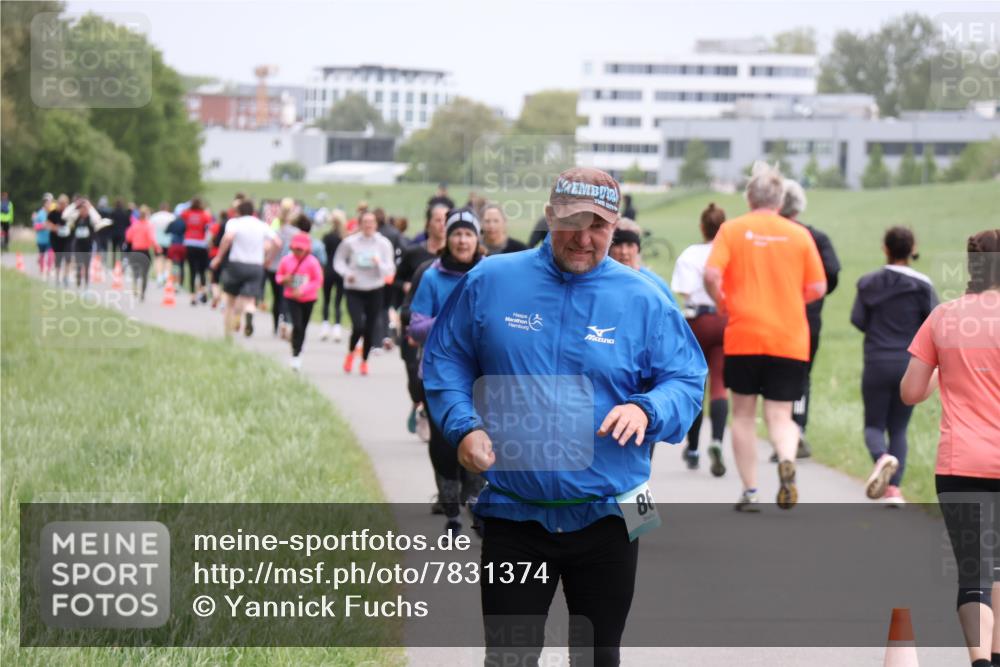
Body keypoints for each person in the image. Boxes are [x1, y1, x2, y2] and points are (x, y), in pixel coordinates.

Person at [423, 167, 706, 665]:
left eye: (597, 226)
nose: (583, 237)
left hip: (611, 515)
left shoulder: (642, 299)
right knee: (509, 658)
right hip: (514, 513)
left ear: (615, 227)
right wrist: (462, 425)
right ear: (549, 216)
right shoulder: (492, 280)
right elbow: (446, 358)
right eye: (571, 221)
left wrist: (648, 409)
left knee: (597, 656)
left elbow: (685, 380)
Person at [900, 229, 1000, 667]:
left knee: (975, 571)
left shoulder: (944, 317)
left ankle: (979, 659)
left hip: (961, 463)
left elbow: (910, 392)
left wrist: (947, 366)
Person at [704, 162, 827, 512]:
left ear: (748, 197)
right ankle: (786, 459)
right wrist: (791, 300)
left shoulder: (733, 229)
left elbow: (712, 273)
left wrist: (722, 301)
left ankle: (751, 491)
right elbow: (818, 285)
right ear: (780, 199)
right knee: (781, 415)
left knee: (742, 415)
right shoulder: (799, 234)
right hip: (789, 337)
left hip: (744, 333)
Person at [408, 208, 487, 534]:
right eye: (457, 233)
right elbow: (415, 327)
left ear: (477, 239)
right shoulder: (432, 276)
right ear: (447, 238)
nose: (462, 240)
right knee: (443, 441)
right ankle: (451, 504)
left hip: (480, 373)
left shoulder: (489, 273)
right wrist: (449, 323)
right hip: (439, 372)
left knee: (478, 434)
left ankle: (474, 498)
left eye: (468, 234)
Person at [849, 226, 937, 505]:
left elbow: (858, 320)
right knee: (899, 428)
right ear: (913, 249)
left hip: (876, 361)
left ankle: (882, 458)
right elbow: (935, 323)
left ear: (885, 248)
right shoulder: (922, 284)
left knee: (874, 425)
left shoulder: (867, 282)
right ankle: (894, 491)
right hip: (908, 363)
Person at [780, 180, 842, 460]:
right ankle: (797, 427)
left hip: (770, 316)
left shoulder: (766, 236)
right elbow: (832, 273)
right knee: (802, 375)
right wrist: (813, 295)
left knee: (772, 377)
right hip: (808, 317)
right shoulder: (816, 237)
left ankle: (781, 433)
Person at [671, 203, 729, 476]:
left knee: (698, 384)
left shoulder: (690, 254)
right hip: (724, 320)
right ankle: (717, 440)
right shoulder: (730, 253)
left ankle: (693, 448)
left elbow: (683, 291)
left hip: (698, 321)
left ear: (702, 227)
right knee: (719, 384)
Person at [397, 203, 448, 437]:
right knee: (414, 378)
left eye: (446, 220)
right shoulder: (421, 261)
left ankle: (428, 412)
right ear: (428, 224)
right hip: (416, 327)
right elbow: (399, 290)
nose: (442, 224)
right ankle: (419, 403)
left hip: (445, 343)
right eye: (437, 220)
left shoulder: (472, 266)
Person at [333, 210, 396, 375]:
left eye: (371, 222)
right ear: (360, 224)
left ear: (376, 224)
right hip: (355, 289)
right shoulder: (350, 242)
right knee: (358, 325)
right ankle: (350, 353)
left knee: (370, 328)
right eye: (365, 222)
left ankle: (364, 361)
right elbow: (338, 261)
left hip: (375, 288)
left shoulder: (383, 244)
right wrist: (347, 273)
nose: (368, 225)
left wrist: (378, 263)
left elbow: (390, 269)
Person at [211, 199, 280, 338]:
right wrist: (269, 259)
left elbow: (228, 238)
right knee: (249, 299)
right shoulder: (262, 225)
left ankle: (227, 335)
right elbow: (278, 242)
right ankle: (249, 312)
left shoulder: (234, 223)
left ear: (238, 212)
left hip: (236, 263)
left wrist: (219, 256)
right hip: (256, 265)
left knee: (230, 300)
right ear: (253, 212)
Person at [276, 233, 324, 370]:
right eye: (295, 249)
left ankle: (299, 347)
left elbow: (318, 280)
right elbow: (278, 276)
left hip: (308, 298)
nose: (297, 252)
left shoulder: (312, 262)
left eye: (300, 249)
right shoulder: (286, 260)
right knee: (296, 324)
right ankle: (295, 353)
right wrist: (284, 279)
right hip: (291, 297)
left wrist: (303, 290)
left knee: (303, 325)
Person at [607, 218, 678, 306]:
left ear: (638, 249)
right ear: (609, 249)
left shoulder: (655, 284)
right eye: (617, 245)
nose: (624, 251)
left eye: (630, 245)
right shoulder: (601, 281)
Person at [180, 198, 213, 305]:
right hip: (201, 244)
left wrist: (187, 205)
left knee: (192, 270)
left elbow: (180, 213)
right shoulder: (205, 215)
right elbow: (208, 229)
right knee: (202, 270)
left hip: (189, 243)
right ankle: (203, 292)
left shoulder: (187, 213)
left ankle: (193, 297)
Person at [124, 205, 161, 301]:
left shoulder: (135, 225)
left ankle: (135, 287)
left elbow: (128, 237)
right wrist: (157, 247)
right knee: (145, 274)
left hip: (135, 251)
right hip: (145, 252)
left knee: (135, 272)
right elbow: (151, 238)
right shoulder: (149, 225)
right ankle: (142, 293)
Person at [320, 209, 346, 342]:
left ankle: (325, 325)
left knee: (326, 299)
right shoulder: (344, 239)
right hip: (341, 272)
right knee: (338, 301)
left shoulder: (326, 237)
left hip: (328, 270)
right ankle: (337, 327)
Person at [69, 199, 97, 289]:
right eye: (82, 209)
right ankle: (78, 279)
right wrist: (75, 205)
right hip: (78, 244)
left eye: (85, 209)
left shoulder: (91, 218)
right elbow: (66, 216)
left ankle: (86, 283)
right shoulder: (76, 218)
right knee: (79, 263)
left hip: (88, 245)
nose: (83, 211)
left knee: (87, 265)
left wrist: (91, 207)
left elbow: (97, 219)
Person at [47, 195, 72, 286]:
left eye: (64, 204)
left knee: (68, 258)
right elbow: (47, 224)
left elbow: (73, 223)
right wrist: (55, 228)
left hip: (67, 239)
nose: (62, 206)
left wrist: (69, 228)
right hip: (56, 239)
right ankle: (57, 277)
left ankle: (66, 277)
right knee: (58, 258)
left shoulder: (70, 213)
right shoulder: (53, 213)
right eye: (61, 204)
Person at [149, 203, 175, 286]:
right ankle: (166, 274)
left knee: (158, 259)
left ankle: (159, 277)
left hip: (158, 241)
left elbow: (150, 228)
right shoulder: (172, 217)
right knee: (168, 259)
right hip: (169, 241)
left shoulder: (154, 217)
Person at [34, 194, 54, 276]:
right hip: (41, 239)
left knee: (50, 254)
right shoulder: (39, 214)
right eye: (47, 203)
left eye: (50, 203)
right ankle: (42, 270)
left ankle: (49, 270)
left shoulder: (53, 213)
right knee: (42, 255)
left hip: (51, 238)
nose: (49, 205)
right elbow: (35, 226)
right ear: (44, 204)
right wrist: (43, 226)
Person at [108, 199, 131, 265]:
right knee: (121, 250)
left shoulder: (112, 213)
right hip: (122, 234)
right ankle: (120, 264)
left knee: (113, 250)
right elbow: (128, 224)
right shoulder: (125, 213)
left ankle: (113, 264)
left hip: (114, 234)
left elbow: (110, 223)